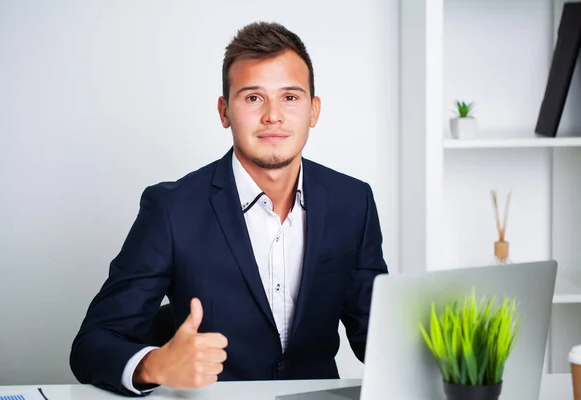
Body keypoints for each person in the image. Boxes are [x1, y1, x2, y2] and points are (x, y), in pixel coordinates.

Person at [69, 21, 388, 396]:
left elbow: (375, 336)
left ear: (313, 110)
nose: (273, 115)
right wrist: (156, 364)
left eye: (290, 97)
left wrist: (459, 354)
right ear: (224, 112)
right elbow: (93, 344)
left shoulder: (353, 201)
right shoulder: (172, 209)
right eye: (253, 98)